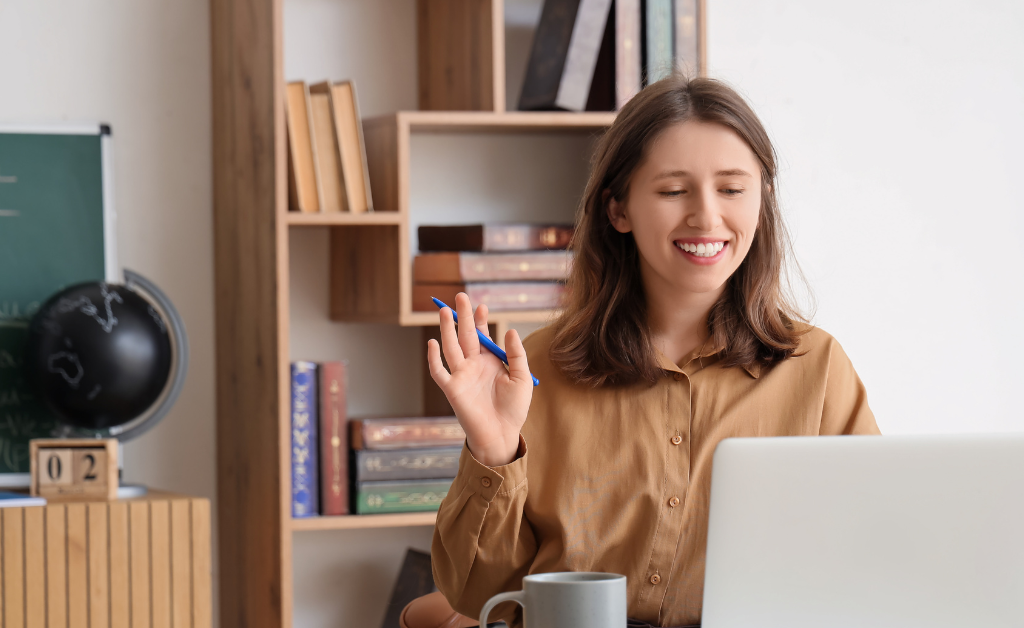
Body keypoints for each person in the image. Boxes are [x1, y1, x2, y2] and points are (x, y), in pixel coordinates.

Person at [425, 75, 880, 628]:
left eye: (733, 189)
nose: (707, 217)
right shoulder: (533, 372)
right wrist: (493, 450)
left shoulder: (817, 367)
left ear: (761, 201)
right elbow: (477, 597)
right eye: (673, 191)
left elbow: (871, 561)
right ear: (618, 210)